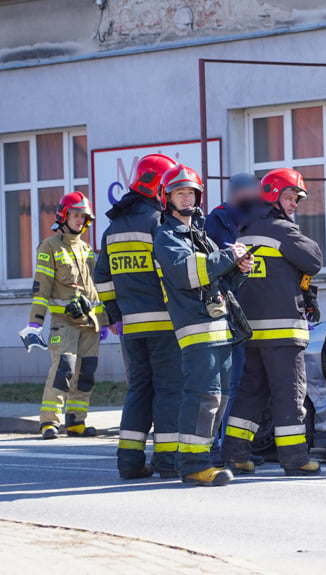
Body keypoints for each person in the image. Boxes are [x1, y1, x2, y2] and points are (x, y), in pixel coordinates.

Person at [153, 164, 253, 487]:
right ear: (167, 198)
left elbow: (223, 282)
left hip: (219, 329)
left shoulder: (202, 237)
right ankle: (193, 464)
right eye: (179, 192)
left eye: (190, 193)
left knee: (219, 397)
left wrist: (239, 268)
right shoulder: (167, 238)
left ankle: (204, 458)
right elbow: (188, 273)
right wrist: (227, 257)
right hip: (196, 331)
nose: (186, 198)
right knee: (202, 395)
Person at [221, 168, 323, 476]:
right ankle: (294, 458)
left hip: (251, 331)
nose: (294, 204)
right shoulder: (282, 230)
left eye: (297, 199)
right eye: (290, 197)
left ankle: (235, 454)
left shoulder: (245, 229)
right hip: (282, 332)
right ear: (273, 197)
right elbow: (314, 259)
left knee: (252, 392)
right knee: (289, 392)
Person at [94, 153, 185, 480]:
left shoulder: (113, 226)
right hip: (165, 324)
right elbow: (170, 273)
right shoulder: (159, 223)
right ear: (160, 188)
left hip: (131, 327)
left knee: (138, 390)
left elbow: (101, 277)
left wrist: (115, 314)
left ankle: (130, 462)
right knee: (169, 390)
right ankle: (168, 462)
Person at [21, 191, 108, 440]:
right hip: (63, 324)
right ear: (64, 216)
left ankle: (76, 422)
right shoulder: (49, 247)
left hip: (89, 324)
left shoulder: (87, 249)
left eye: (83, 216)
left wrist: (103, 320)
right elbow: (41, 289)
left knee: (86, 374)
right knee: (63, 370)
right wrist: (35, 322)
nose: (80, 220)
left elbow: (94, 289)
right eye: (75, 215)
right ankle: (49, 422)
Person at [204, 173, 265, 467]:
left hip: (246, 315)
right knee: (224, 384)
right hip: (222, 313)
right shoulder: (215, 221)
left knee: (239, 384)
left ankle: (231, 448)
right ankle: (215, 447)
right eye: (248, 194)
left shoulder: (258, 219)